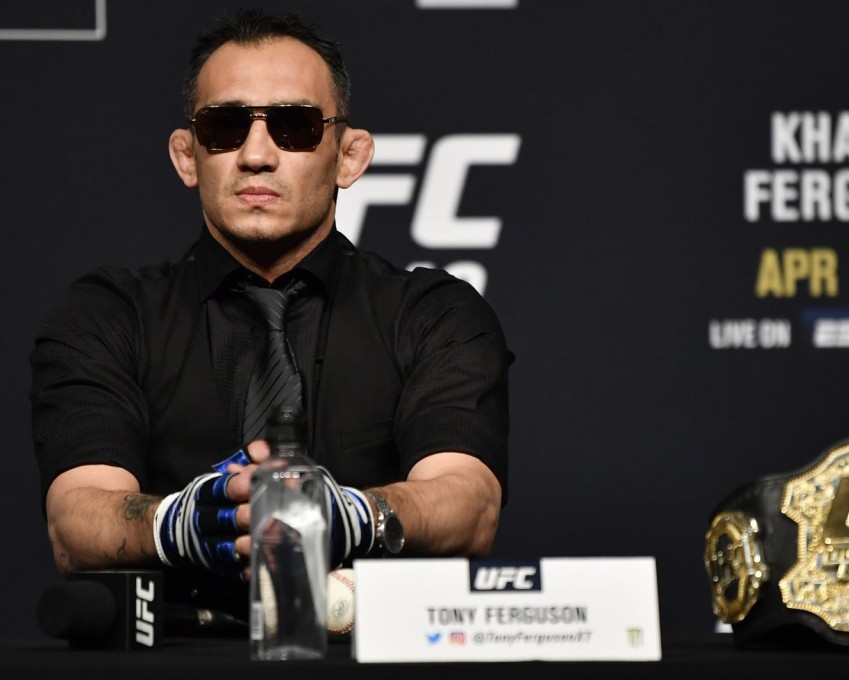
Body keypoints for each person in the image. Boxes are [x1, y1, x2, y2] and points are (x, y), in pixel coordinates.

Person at [30, 8, 511, 621]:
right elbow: (75, 521)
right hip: (168, 663)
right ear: (186, 154)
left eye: (295, 126)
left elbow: (470, 507)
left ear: (350, 155)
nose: (256, 154)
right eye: (224, 128)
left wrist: (353, 517)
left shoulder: (434, 314)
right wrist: (181, 523)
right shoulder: (107, 315)